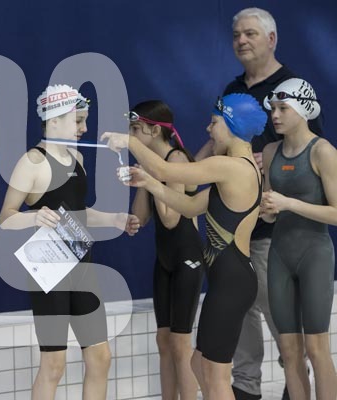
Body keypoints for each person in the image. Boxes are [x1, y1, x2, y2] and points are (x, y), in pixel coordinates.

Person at [103, 93, 267, 399]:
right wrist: (149, 184)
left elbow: (166, 171)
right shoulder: (236, 170)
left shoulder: (232, 167)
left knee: (215, 375)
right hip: (229, 280)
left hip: (231, 282)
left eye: (214, 122)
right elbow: (190, 206)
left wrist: (130, 142)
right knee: (198, 363)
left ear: (232, 125)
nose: (208, 129)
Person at [195, 8, 323, 399]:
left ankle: (295, 383)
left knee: (280, 318)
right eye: (236, 34)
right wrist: (188, 170)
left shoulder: (293, 86)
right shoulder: (233, 88)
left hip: (273, 230)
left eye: (250, 33)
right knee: (239, 315)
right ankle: (245, 387)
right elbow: (216, 142)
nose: (241, 40)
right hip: (232, 231)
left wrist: (266, 164)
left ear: (271, 39)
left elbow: (308, 152)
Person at [0, 84, 139, 400]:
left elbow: (77, 212)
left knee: (100, 357)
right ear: (55, 120)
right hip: (49, 274)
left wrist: (115, 219)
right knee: (54, 364)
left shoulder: (77, 158)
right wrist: (33, 217)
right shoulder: (32, 162)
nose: (84, 128)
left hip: (82, 268)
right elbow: (5, 217)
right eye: (78, 121)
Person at [261, 78, 337, 400]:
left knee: (317, 347)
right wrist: (268, 212)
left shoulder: (322, 151)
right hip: (280, 254)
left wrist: (289, 204)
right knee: (289, 350)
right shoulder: (270, 151)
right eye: (273, 109)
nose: (275, 115)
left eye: (283, 108)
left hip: (314, 254)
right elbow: (270, 209)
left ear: (304, 109)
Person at [128, 100, 204, 400]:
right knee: (163, 340)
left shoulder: (177, 160)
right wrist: (143, 182)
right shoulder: (155, 165)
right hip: (165, 259)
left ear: (154, 130)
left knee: (181, 344)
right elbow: (141, 219)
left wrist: (152, 177)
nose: (131, 137)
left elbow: (171, 219)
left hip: (187, 257)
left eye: (135, 129)